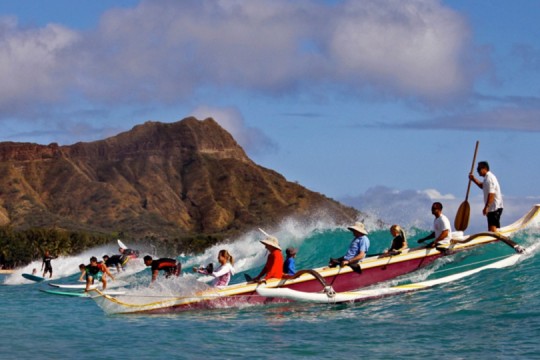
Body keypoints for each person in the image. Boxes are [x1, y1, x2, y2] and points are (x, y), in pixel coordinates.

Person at [469, 161, 504, 232]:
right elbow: (483, 186)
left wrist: (486, 207)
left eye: (478, 169)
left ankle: (498, 241)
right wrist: (473, 179)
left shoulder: (490, 178)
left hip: (495, 207)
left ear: (484, 168)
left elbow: (491, 194)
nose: (477, 171)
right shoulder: (486, 178)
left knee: (493, 229)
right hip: (492, 208)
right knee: (491, 229)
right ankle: (494, 241)